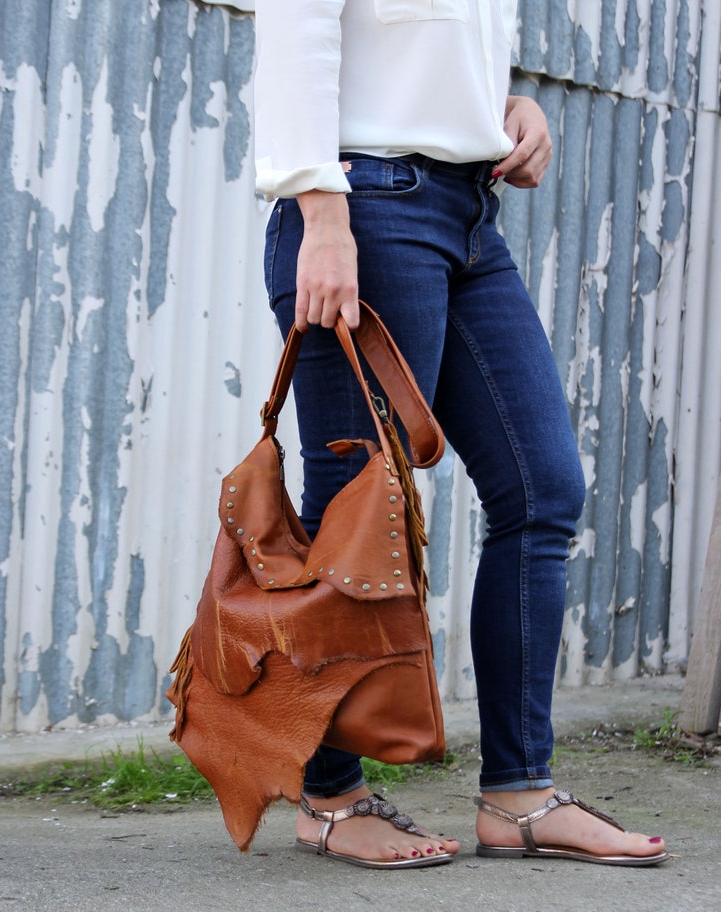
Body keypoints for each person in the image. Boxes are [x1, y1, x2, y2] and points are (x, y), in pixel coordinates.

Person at [253, 0, 668, 869]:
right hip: (366, 204)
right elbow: (298, 32)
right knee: (357, 510)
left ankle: (518, 795)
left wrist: (509, 109)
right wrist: (323, 218)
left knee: (540, 490)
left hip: (470, 212)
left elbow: (434, 49)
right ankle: (329, 797)